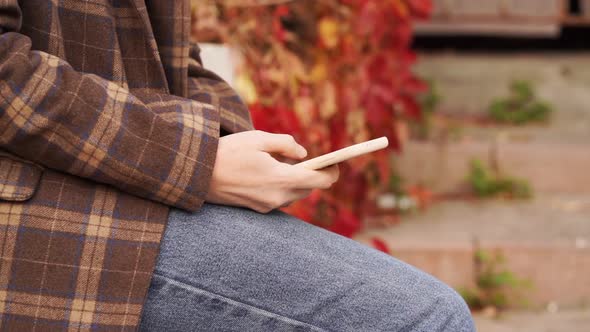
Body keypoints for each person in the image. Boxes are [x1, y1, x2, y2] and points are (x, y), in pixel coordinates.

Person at [0, 0, 475, 331]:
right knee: (425, 318)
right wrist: (195, 159)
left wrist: (230, 143)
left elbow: (175, 59)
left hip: (122, 177)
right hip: (39, 207)